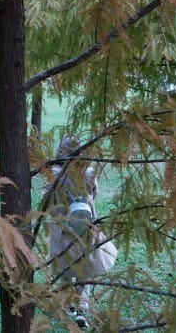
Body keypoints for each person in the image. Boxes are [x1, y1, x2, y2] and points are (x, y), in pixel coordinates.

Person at [43, 135, 116, 329]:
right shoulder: (89, 173)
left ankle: (69, 307)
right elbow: (94, 193)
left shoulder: (55, 174)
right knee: (87, 269)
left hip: (62, 230)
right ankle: (83, 307)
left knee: (64, 268)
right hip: (86, 227)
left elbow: (46, 199)